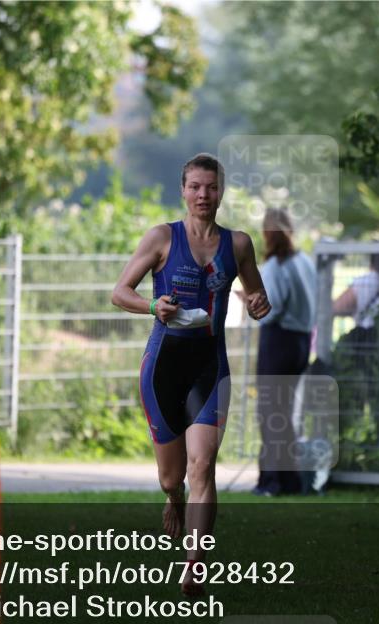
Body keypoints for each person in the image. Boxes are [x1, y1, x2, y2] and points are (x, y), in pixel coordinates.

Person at [111, 153, 270, 596]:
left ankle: (195, 562)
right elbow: (119, 292)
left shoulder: (238, 245)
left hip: (209, 367)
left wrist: (260, 304)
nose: (203, 195)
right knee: (172, 476)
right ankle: (172, 499)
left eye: (211, 187)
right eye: (195, 187)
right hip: (163, 367)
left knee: (204, 466)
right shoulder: (163, 238)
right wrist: (151, 306)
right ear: (183, 191)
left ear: (221, 192)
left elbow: (257, 295)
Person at [252, 208, 317, 496]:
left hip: (279, 341)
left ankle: (272, 481)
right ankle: (290, 481)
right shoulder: (304, 261)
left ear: (267, 234)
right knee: (284, 411)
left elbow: (271, 310)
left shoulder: (275, 267)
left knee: (270, 411)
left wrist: (252, 304)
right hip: (301, 341)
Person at [331, 254, 379, 444]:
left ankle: (356, 441)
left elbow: (337, 307)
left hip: (366, 352)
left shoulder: (369, 280)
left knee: (357, 397)